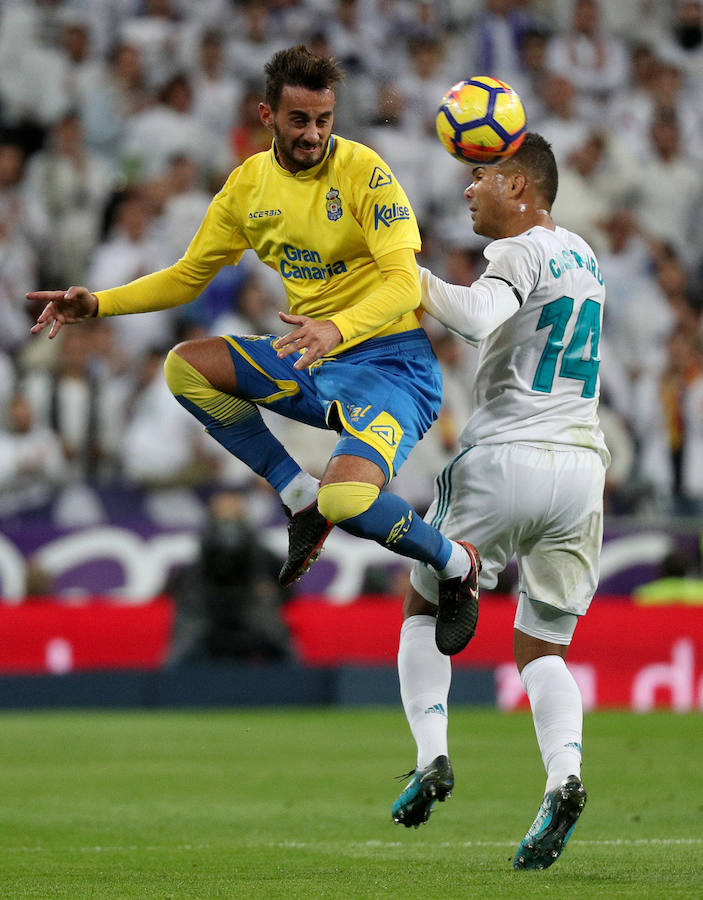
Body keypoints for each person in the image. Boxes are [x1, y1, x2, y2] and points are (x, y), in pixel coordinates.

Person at [28, 44, 480, 658]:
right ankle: (297, 498)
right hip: (312, 355)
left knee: (347, 499)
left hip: (391, 365)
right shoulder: (247, 186)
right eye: (299, 120)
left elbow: (405, 280)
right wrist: (99, 304)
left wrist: (336, 328)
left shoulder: (366, 172)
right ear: (267, 115)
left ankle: (456, 565)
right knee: (185, 367)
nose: (314, 134)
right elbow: (190, 275)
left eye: (324, 120)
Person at [391, 133, 610, 872]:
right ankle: (565, 776)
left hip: (503, 458)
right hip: (580, 466)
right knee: (541, 648)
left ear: (519, 186)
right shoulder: (585, 256)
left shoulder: (519, 251)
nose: (467, 190)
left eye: (479, 175)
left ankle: (430, 759)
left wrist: (404, 276)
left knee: (423, 603)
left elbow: (477, 317)